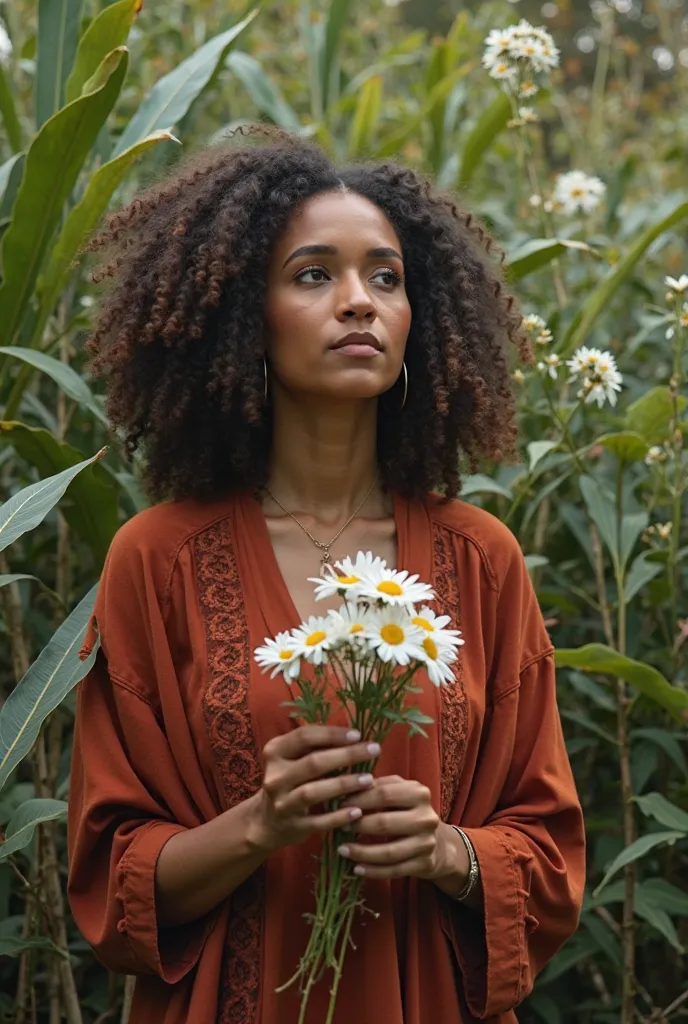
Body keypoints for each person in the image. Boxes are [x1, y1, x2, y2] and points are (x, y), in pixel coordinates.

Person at [67, 129, 585, 1024]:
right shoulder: (155, 561)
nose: (359, 303)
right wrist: (258, 826)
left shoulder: (483, 560)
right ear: (240, 316)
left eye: (386, 277)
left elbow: (550, 857)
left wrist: (450, 851)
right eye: (314, 275)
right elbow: (110, 885)